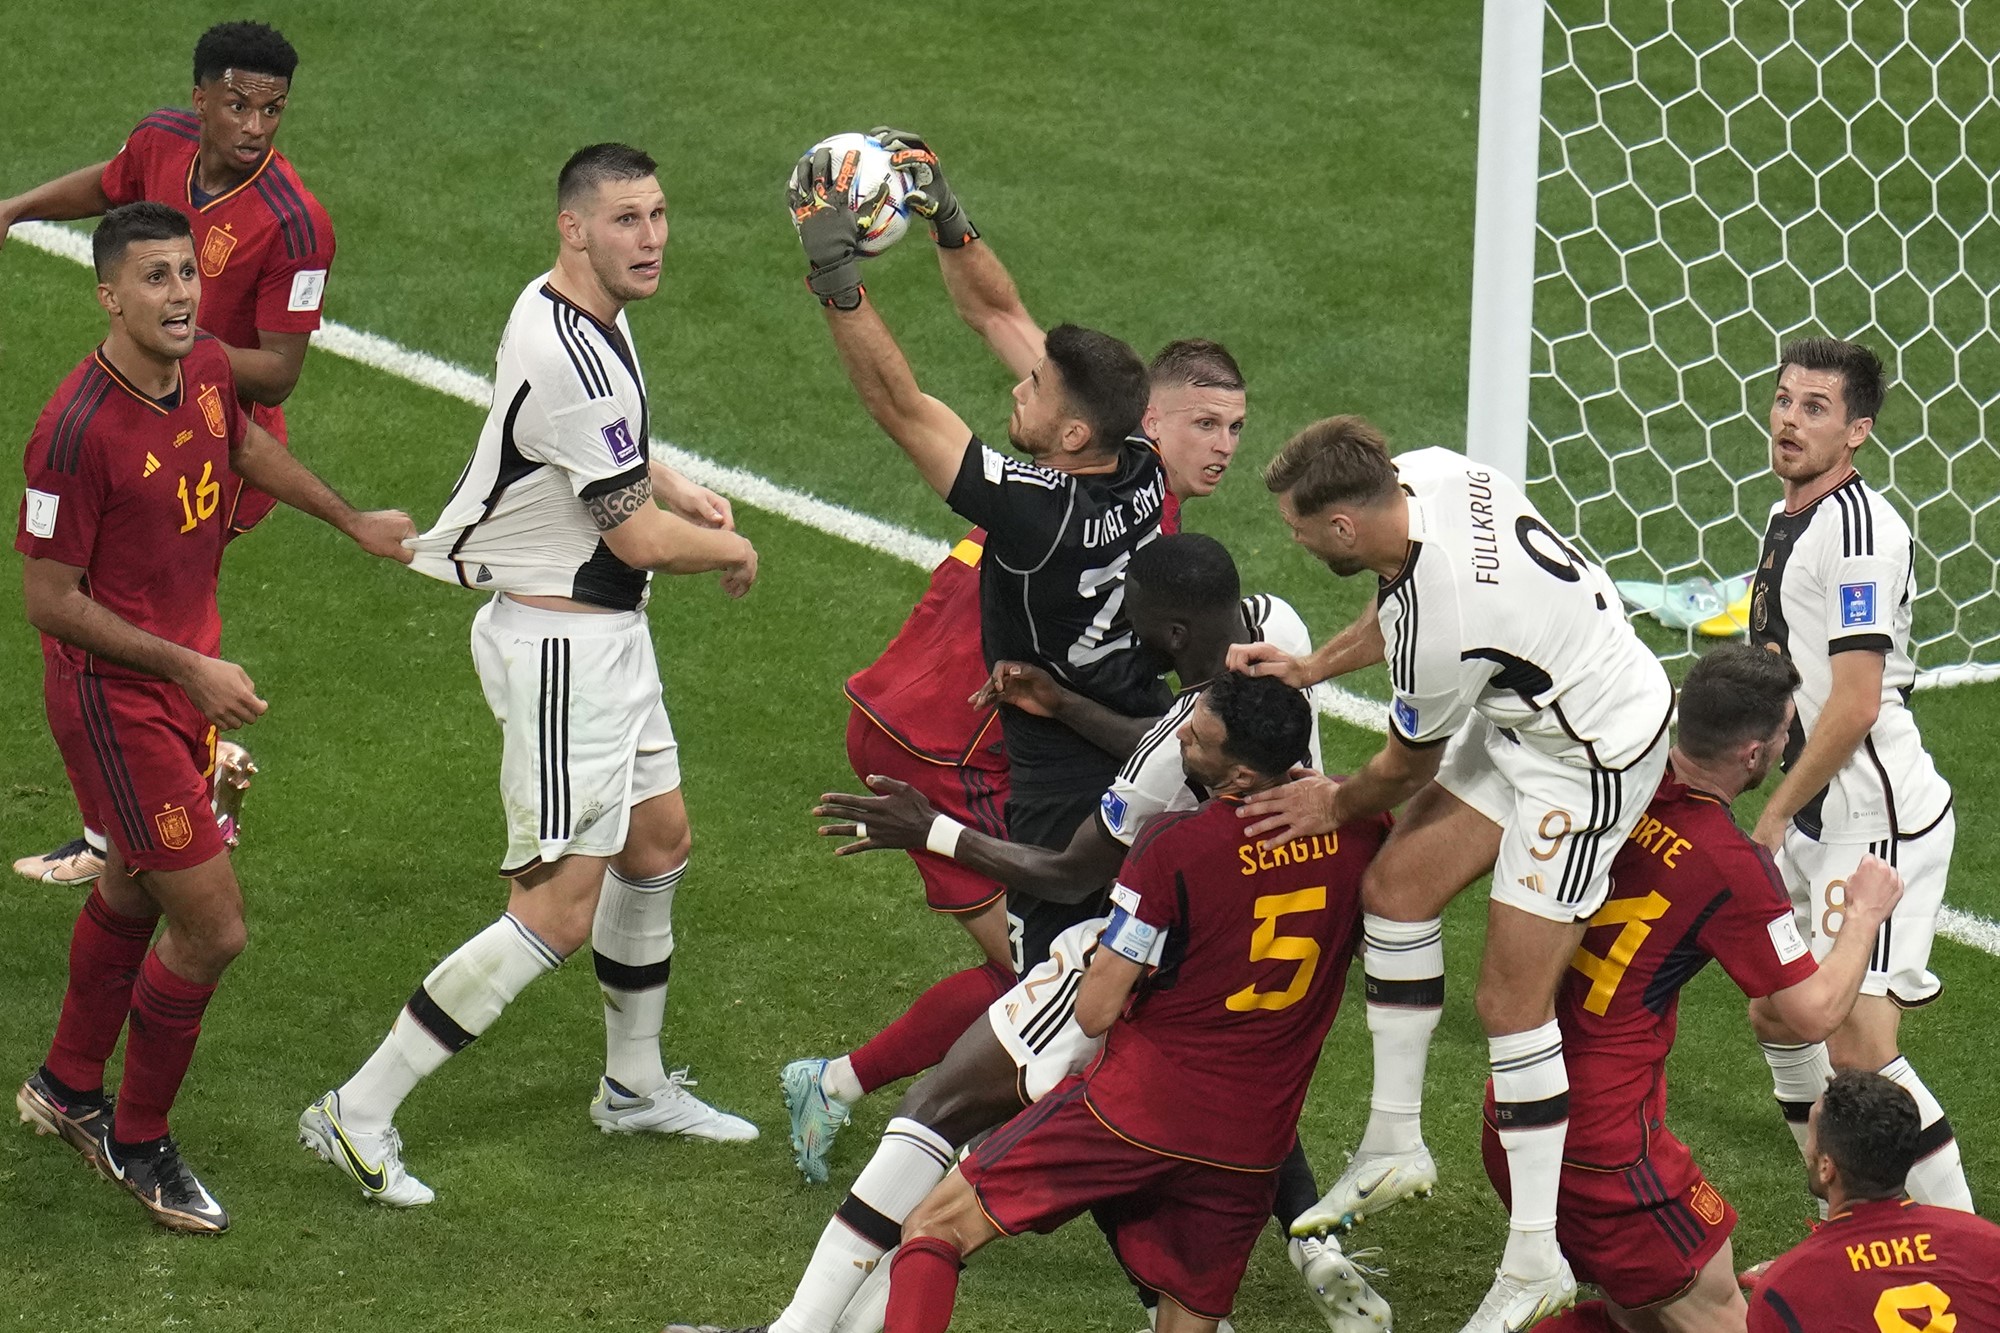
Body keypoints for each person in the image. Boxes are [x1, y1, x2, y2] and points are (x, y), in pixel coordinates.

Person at [718, 536, 1386, 1333]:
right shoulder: (1287, 667)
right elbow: (1189, 725)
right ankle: (1312, 1243)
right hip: (1258, 1073)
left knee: (939, 1140)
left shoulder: (1170, 834)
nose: (1125, 638)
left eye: (1134, 623)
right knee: (1182, 1290)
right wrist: (1067, 704)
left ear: (1172, 635)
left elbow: (1075, 877)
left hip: (1140, 1007)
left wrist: (929, 830)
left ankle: (797, 1327)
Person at [296, 144, 760, 1208]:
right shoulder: (568, 353)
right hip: (564, 653)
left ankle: (633, 1086)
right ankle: (357, 1110)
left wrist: (678, 483)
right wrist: (726, 547)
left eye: (658, 214)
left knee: (658, 841)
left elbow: (612, 455)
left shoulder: (587, 310)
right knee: (554, 908)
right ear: (573, 228)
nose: (650, 238)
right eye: (626, 220)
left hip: (605, 637)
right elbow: (631, 537)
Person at [12, 202, 412, 1233]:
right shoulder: (71, 433)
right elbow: (51, 603)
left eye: (186, 271)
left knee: (137, 890)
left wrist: (350, 518)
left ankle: (64, 1086)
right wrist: (190, 667)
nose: (181, 292)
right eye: (153, 277)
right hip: (115, 702)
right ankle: (136, 1139)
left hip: (176, 687)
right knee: (214, 924)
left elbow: (236, 445)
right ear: (107, 293)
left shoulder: (205, 372)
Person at [1230, 417, 1674, 1329]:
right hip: (1528, 710)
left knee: (1512, 1004)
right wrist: (1311, 667)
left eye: (1300, 527)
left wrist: (1330, 801)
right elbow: (1400, 606)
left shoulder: (1446, 620)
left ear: (1345, 526)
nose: (1296, 537)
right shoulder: (1428, 474)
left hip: (1591, 757)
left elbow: (1401, 768)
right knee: (1394, 893)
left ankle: (1535, 1258)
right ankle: (1395, 1141)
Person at [799, 327, 1246, 1181]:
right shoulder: (1116, 489)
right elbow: (994, 323)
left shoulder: (1124, 490)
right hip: (939, 747)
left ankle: (860, 1091)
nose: (1222, 447)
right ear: (1147, 421)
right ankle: (892, 1116)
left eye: (1235, 428)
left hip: (998, 741)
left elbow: (993, 337)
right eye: (1205, 424)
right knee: (1057, 972)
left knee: (1056, 965)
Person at [789, 131, 1169, 1076]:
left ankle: (969, 1160)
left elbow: (901, 404)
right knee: (1098, 975)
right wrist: (948, 220)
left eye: (1036, 387)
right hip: (1126, 748)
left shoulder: (1035, 515)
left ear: (1072, 431)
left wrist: (839, 280)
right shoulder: (1146, 468)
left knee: (1053, 998)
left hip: (1039, 773)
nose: (1018, 379)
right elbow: (1002, 313)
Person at [870, 672, 1372, 1333]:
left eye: (1201, 734)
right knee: (1188, 1323)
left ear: (1243, 775)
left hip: (1138, 1110)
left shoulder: (1175, 844)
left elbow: (1094, 1010)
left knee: (934, 1224)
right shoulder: (1363, 832)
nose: (1183, 730)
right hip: (1254, 1147)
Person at [2, 20, 336, 885]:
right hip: (144, 420)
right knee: (109, 619)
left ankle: (158, 814)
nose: (256, 126)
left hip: (219, 451)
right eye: (237, 105)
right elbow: (111, 186)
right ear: (201, 100)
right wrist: (19, 207)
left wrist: (181, 346)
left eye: (273, 110)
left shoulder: (296, 226)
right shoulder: (161, 142)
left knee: (115, 622)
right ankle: (145, 811)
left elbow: (283, 373)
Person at [1486, 644, 1903, 1333]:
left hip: (1518, 1108)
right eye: (1784, 733)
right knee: (1718, 1303)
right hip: (1608, 1149)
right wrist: (1863, 914)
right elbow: (1813, 1013)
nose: (1787, 744)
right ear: (1753, 754)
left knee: (1646, 1309)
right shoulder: (1725, 861)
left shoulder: (1611, 780)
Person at [1744, 337, 1972, 1213]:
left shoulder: (1862, 533)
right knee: (1781, 1014)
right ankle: (1839, 1212)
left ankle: (1961, 1249)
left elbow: (1856, 702)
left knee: (1859, 1048)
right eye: (1785, 400)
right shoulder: (1789, 515)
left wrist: (1771, 816)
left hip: (1874, 815)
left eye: (1816, 408)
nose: (1791, 420)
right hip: (1820, 812)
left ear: (1858, 431)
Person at [1745, 1070, 2000, 1332]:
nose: (1808, 1147)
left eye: (1811, 1138)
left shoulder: (1784, 1289)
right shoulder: (1988, 1244)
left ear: (1826, 1168)